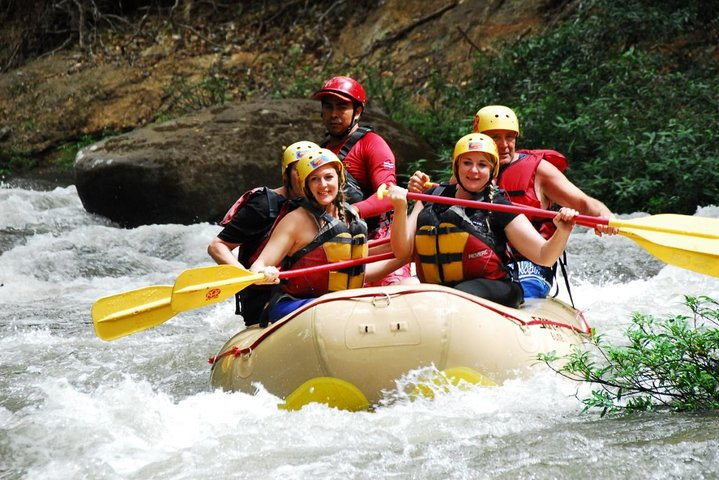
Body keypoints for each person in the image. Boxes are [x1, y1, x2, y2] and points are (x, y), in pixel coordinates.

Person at [408, 105, 615, 298]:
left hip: (529, 260)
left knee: (516, 288)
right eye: (495, 137)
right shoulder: (469, 175)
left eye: (510, 137)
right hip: (484, 261)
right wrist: (418, 191)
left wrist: (606, 218)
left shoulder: (539, 171)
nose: (504, 145)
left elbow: (585, 203)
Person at [387, 133, 579, 308]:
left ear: (492, 170)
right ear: (456, 166)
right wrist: (400, 208)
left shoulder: (498, 206)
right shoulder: (432, 198)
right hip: (442, 287)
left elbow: (544, 256)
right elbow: (402, 251)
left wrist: (562, 231)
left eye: (482, 165)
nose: (474, 171)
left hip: (496, 287)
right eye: (467, 163)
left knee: (458, 294)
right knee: (399, 288)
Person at [250, 148, 405, 323]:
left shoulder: (351, 217)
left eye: (328, 177)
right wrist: (266, 272)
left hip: (340, 305)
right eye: (314, 179)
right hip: (295, 305)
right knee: (333, 309)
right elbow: (257, 267)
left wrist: (402, 209)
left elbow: (394, 253)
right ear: (306, 186)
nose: (323, 185)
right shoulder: (295, 221)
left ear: (340, 178)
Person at [313, 75, 411, 285]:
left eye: (342, 107)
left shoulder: (372, 144)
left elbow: (387, 196)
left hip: (377, 239)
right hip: (340, 239)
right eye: (328, 107)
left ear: (357, 111)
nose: (334, 114)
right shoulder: (322, 152)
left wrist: (354, 210)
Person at [207, 141, 318, 326]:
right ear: (286, 175)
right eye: (298, 171)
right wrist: (248, 278)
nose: (304, 177)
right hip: (264, 297)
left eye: (310, 172)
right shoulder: (264, 206)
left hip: (300, 291)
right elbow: (217, 246)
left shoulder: (320, 208)